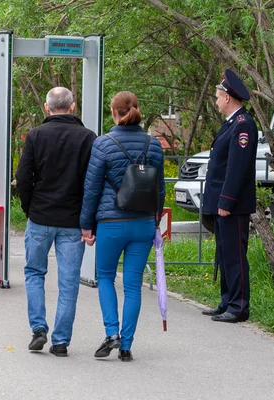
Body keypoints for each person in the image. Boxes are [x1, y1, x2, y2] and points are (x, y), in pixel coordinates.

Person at [80, 91, 165, 362]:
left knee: (105, 277)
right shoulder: (153, 144)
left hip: (111, 223)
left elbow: (91, 189)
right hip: (142, 223)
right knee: (132, 286)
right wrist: (155, 220)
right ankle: (126, 346)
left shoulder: (103, 144)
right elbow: (160, 189)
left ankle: (112, 333)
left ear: (114, 113)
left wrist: (86, 225)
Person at [16, 87, 96, 357]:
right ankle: (60, 341)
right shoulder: (88, 138)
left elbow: (24, 177)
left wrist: (29, 209)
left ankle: (38, 328)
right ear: (73, 107)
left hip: (40, 216)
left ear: (47, 108)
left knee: (34, 273)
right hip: (73, 220)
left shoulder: (36, 135)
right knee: (69, 281)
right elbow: (92, 183)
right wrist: (88, 218)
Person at [201, 69, 258, 323]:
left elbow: (237, 168)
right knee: (224, 254)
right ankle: (227, 301)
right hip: (221, 203)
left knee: (235, 255)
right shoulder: (231, 124)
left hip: (232, 205)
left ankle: (239, 307)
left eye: (217, 96)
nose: (215, 101)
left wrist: (226, 201)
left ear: (227, 97)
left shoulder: (244, 125)